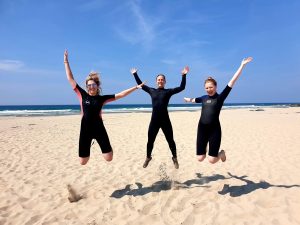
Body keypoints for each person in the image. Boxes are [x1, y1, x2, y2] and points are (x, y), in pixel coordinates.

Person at [64, 50, 144, 165]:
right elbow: (70, 79)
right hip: (85, 130)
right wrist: (66, 61)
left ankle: (103, 145)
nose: (91, 87)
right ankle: (90, 144)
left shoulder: (102, 99)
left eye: (93, 85)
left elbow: (120, 95)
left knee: (109, 158)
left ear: (97, 86)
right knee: (83, 162)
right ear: (87, 87)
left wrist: (135, 87)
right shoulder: (82, 95)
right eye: (89, 85)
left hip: (99, 129)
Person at [184, 57, 253, 164]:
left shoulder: (220, 98)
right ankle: (206, 148)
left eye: (211, 87)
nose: (208, 89)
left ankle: (221, 154)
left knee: (211, 160)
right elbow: (195, 100)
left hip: (214, 130)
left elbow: (232, 82)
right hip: (202, 128)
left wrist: (242, 65)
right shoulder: (203, 98)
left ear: (215, 87)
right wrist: (188, 100)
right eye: (206, 88)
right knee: (200, 158)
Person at [130, 66, 189, 169]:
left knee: (170, 140)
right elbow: (141, 85)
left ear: (165, 81)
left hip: (165, 120)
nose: (160, 81)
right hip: (154, 120)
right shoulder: (151, 90)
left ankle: (174, 157)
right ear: (156, 81)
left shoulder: (168, 92)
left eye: (162, 79)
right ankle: (148, 157)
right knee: (150, 140)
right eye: (159, 79)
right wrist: (135, 74)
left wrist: (184, 75)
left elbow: (182, 88)